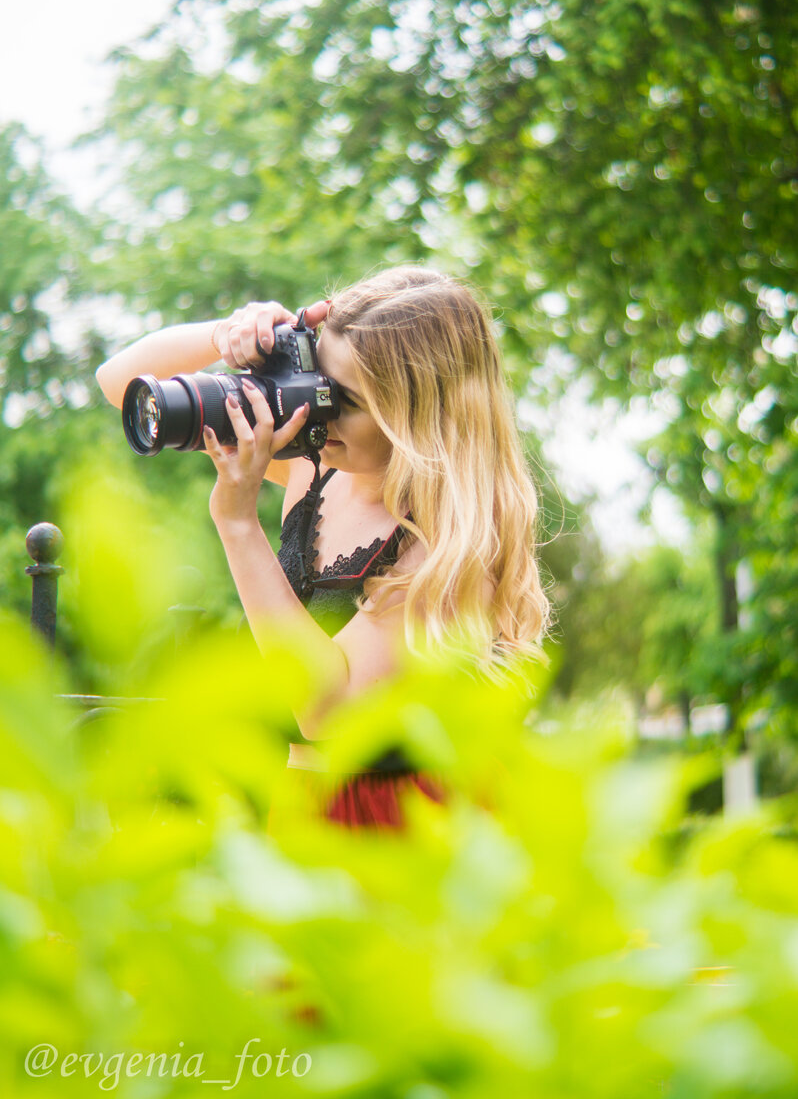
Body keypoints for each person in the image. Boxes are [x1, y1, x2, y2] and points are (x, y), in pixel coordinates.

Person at [95, 265, 550, 828]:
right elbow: (121, 384)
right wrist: (232, 335)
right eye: (320, 387)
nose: (319, 412)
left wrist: (238, 524)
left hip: (397, 823)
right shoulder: (320, 474)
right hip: (299, 802)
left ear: (419, 414)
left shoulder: (451, 539)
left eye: (347, 401)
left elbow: (325, 709)